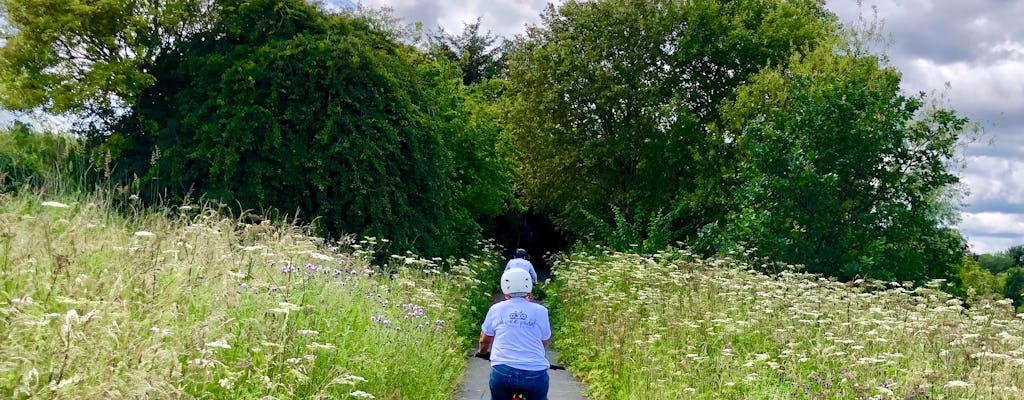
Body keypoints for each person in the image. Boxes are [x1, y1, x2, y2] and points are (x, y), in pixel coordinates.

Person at [477, 268, 552, 400]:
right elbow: (544, 340)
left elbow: (485, 339)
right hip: (534, 372)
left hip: (503, 371)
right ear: (529, 288)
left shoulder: (496, 309)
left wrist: (482, 352)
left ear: (504, 288)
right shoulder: (541, 311)